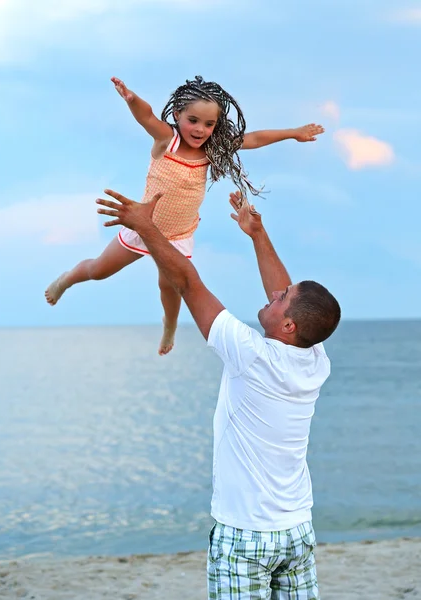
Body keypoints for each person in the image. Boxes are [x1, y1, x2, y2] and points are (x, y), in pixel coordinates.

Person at [95, 187, 341, 600]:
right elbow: (288, 301)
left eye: (281, 300)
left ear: (288, 328)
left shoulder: (252, 355)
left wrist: (147, 227)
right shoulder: (314, 360)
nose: (274, 296)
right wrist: (257, 234)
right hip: (296, 530)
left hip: (245, 536)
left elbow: (189, 283)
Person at [45, 75, 325, 356]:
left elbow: (254, 138)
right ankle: (66, 279)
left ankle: (169, 325)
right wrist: (132, 100)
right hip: (142, 227)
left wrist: (293, 132)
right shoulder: (168, 140)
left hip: (179, 235)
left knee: (170, 288)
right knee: (99, 270)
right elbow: (147, 117)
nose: (200, 129)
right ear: (177, 115)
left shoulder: (212, 148)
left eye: (209, 124)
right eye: (193, 120)